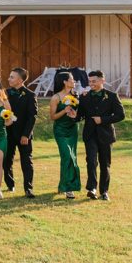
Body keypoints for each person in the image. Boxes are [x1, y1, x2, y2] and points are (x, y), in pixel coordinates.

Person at [78, 69, 125, 201]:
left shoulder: (112, 96)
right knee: (91, 161)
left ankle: (104, 191)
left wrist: (103, 120)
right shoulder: (84, 96)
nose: (91, 84)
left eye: (94, 81)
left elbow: (121, 115)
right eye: (89, 81)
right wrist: (73, 116)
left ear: (102, 80)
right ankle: (91, 188)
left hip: (106, 135)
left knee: (105, 164)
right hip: (90, 134)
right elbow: (80, 115)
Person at [3, 67, 38, 198]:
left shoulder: (30, 95)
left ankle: (28, 188)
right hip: (8, 133)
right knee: (7, 161)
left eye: (12, 77)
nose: (9, 79)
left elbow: (32, 117)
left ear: (20, 80)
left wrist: (26, 135)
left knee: (26, 162)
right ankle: (10, 185)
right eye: (9, 76)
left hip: (23, 135)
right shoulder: (4, 93)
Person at [49, 70, 81, 199]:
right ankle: (69, 188)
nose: (74, 81)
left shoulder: (76, 95)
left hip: (73, 129)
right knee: (67, 155)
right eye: (72, 79)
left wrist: (75, 113)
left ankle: (63, 185)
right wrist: (64, 111)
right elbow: (53, 117)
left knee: (70, 157)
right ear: (65, 82)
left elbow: (80, 114)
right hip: (60, 131)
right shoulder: (56, 98)